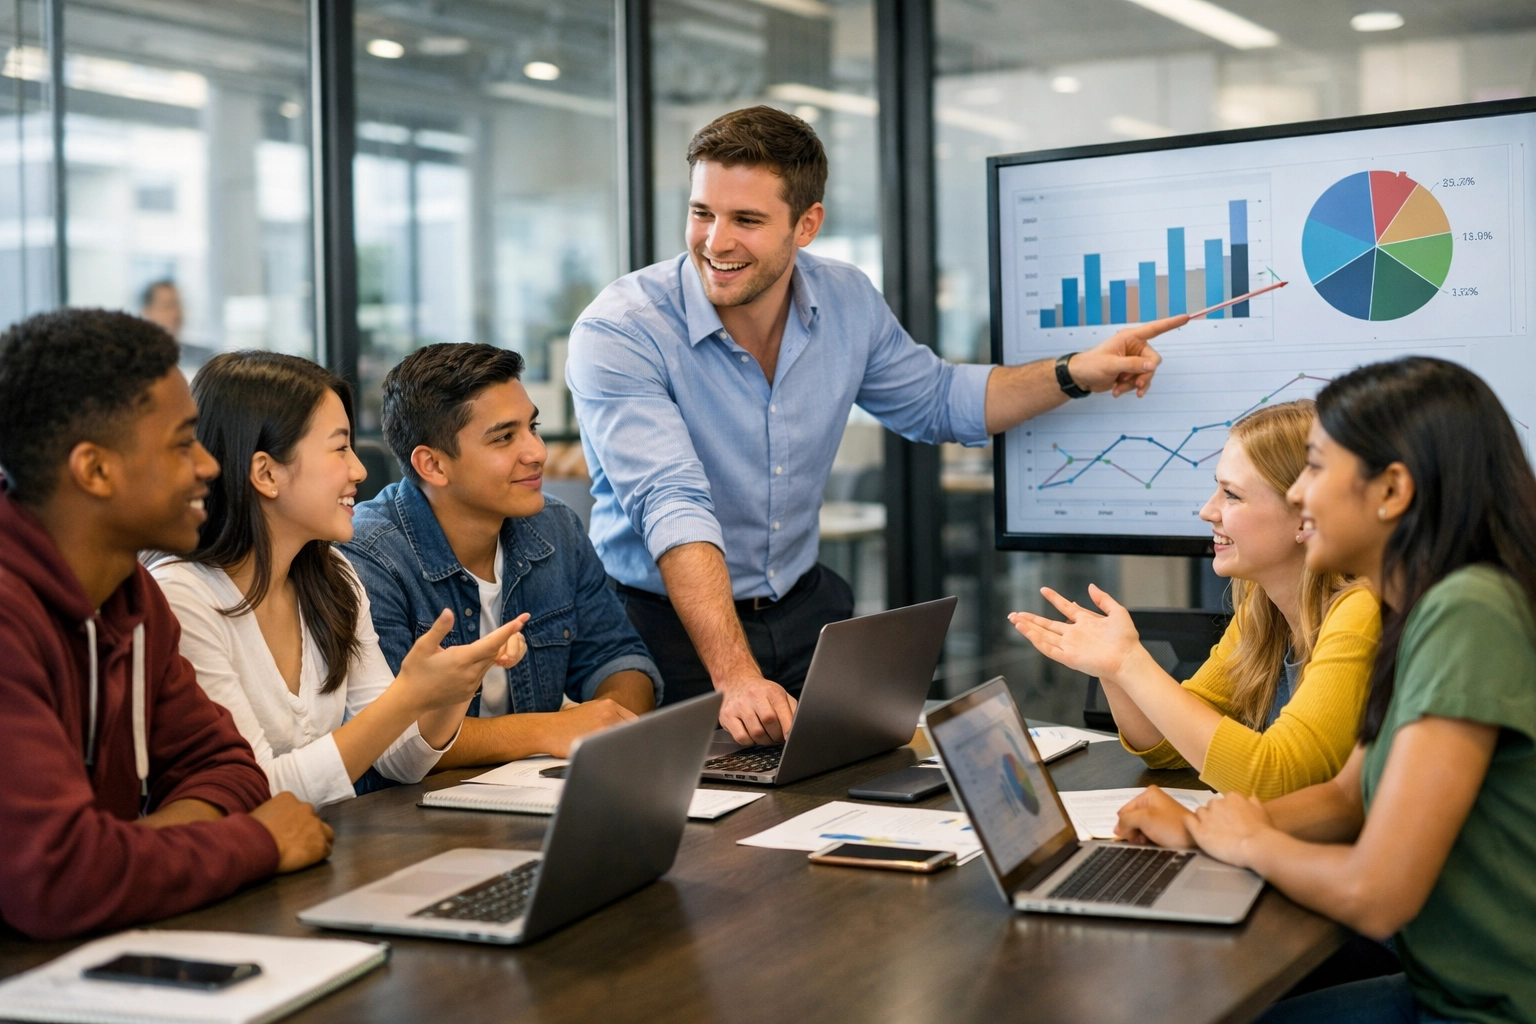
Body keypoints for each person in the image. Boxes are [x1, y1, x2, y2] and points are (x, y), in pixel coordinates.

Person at [566, 104, 1189, 746]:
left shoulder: (845, 299)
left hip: (804, 613)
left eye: (746, 220)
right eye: (702, 212)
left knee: (843, 788)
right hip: (664, 629)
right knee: (701, 808)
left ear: (807, 225)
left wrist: (1075, 371)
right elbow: (672, 504)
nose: (715, 241)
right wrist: (736, 676)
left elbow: (938, 399)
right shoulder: (623, 330)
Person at [1116, 357, 1536, 1024]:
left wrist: (1249, 842)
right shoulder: (1423, 607)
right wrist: (1200, 830)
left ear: (1391, 491)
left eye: (1314, 468)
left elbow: (1377, 893)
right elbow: (1347, 798)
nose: (1298, 495)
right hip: (1444, 981)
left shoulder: (1467, 612)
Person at [0, 309, 332, 940]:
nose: (209, 466)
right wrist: (257, 842)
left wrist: (121, 851)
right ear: (95, 470)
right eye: (182, 444)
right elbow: (56, 878)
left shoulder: (133, 597)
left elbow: (230, 768)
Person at [152, 351, 528, 807]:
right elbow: (254, 790)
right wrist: (407, 696)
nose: (359, 470)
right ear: (266, 473)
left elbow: (399, 761)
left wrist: (453, 688)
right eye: (339, 448)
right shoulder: (180, 599)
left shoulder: (334, 577)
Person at [1009, 400, 1380, 798]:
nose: (1207, 511)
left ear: (1305, 515)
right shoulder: (1262, 610)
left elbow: (1276, 777)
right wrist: (1111, 667)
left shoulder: (1361, 610)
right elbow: (1165, 744)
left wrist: (1130, 662)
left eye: (1231, 495)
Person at [342, 343, 660, 765]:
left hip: (534, 792)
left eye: (533, 427)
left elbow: (620, 659)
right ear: (432, 465)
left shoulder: (555, 527)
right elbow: (391, 740)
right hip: (414, 805)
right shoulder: (368, 555)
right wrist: (550, 729)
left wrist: (608, 722)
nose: (538, 452)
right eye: (505, 437)